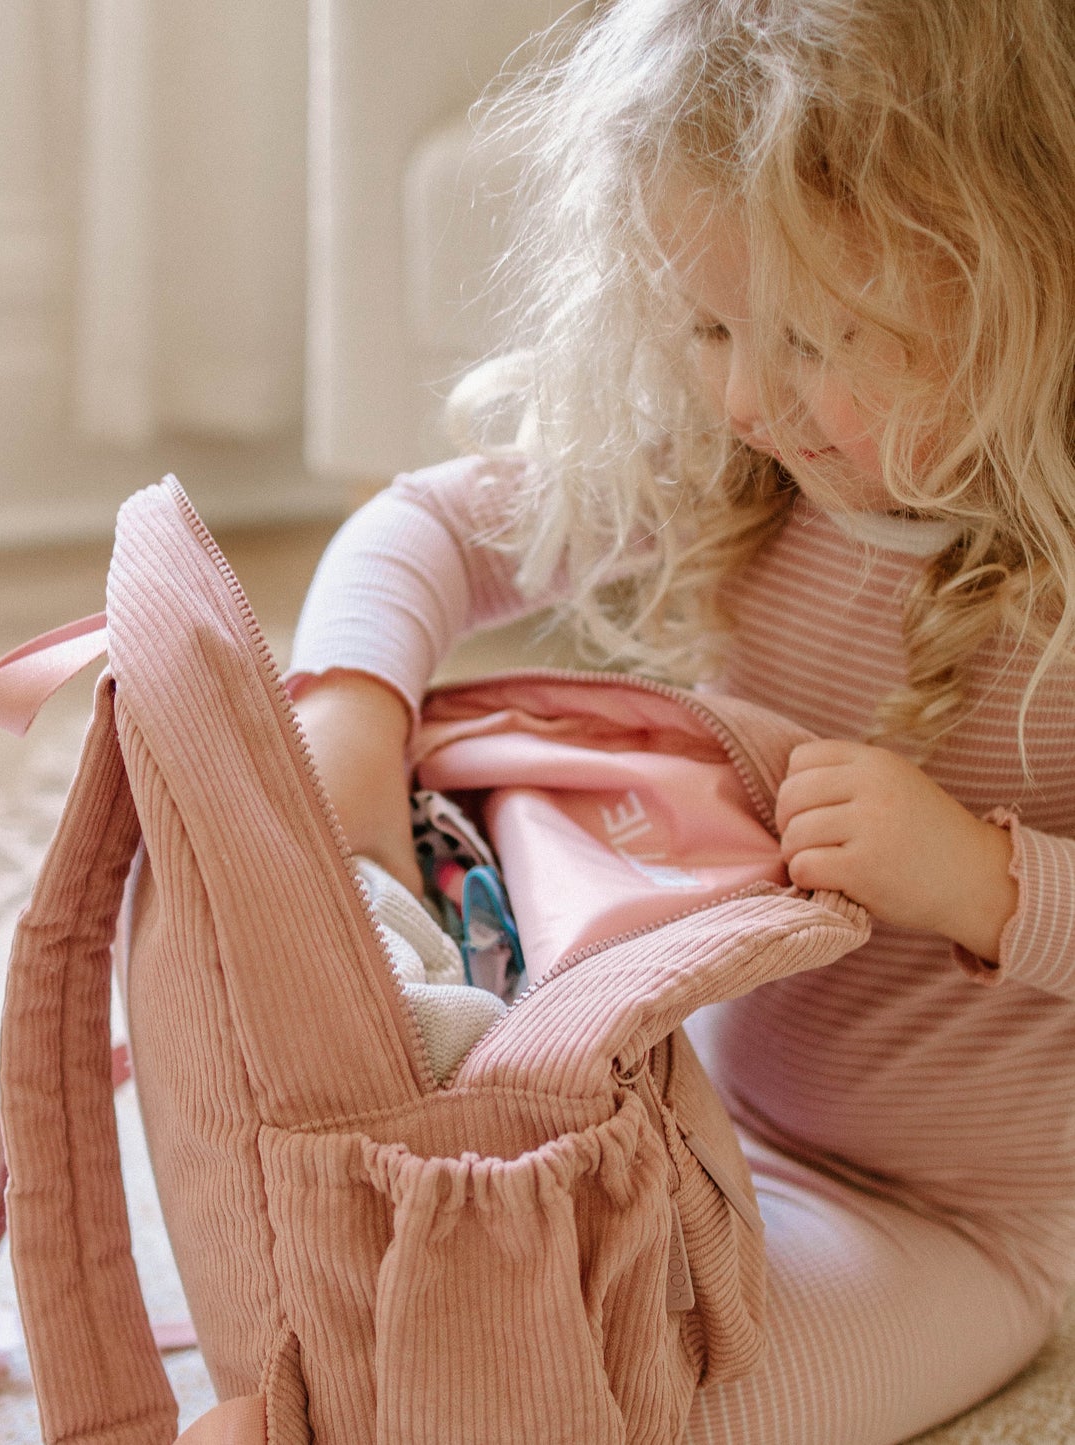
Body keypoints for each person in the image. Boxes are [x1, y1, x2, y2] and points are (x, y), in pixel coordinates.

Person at [287, 1, 1075, 1441]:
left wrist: (980, 875)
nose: (745, 393)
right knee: (429, 1290)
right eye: (710, 324)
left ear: (1031, 274)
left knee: (656, 1407)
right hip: (680, 1112)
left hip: (969, 1214)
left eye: (822, 333)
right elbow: (425, 531)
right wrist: (347, 709)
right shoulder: (748, 465)